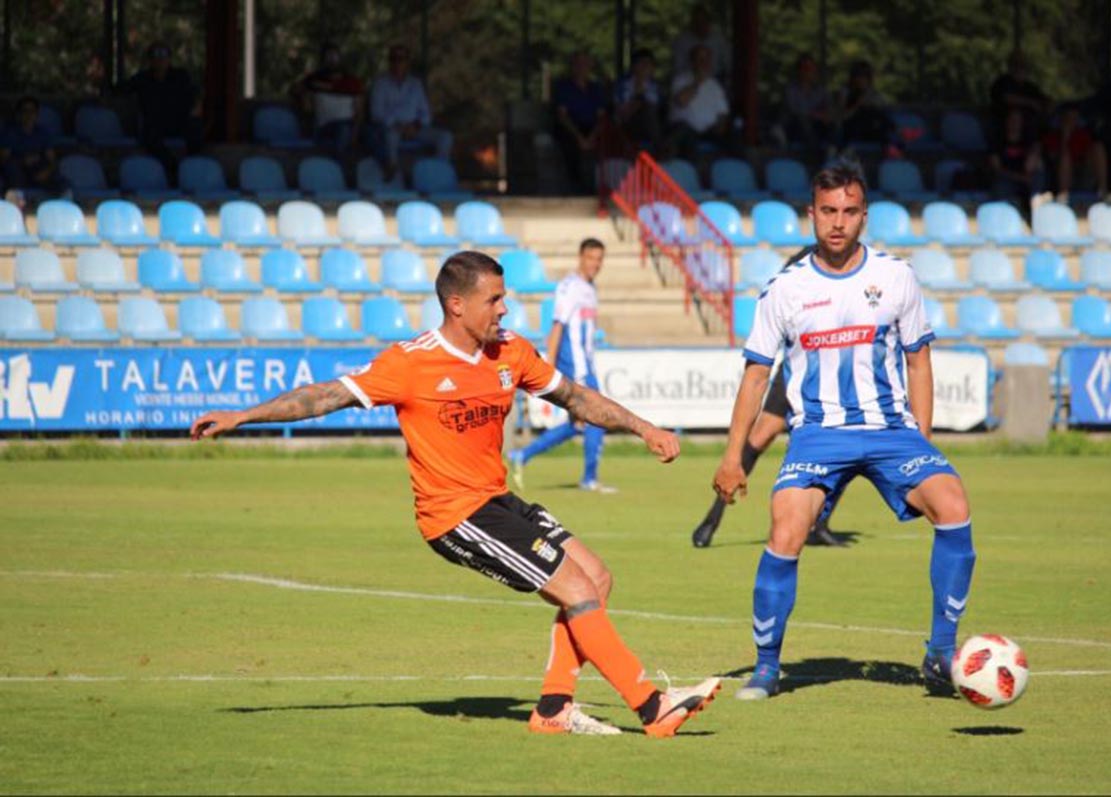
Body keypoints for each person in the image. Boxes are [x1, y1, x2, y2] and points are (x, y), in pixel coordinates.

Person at [190, 250, 720, 737]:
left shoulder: (511, 351)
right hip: (455, 515)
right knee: (577, 590)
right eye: (494, 299)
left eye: (504, 297)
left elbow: (575, 397)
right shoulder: (410, 362)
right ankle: (652, 707)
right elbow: (325, 395)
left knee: (596, 579)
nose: (505, 309)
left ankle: (554, 710)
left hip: (496, 499)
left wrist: (643, 426)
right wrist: (243, 416)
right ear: (457, 305)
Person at [712, 165, 976, 701]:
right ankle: (766, 668)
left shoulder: (897, 276)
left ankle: (942, 653)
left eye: (849, 212)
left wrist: (920, 439)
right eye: (827, 211)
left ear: (864, 216)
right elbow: (757, 376)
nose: (838, 223)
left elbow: (918, 362)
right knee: (786, 528)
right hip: (817, 435)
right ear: (812, 214)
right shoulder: (785, 289)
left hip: (890, 430)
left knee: (953, 505)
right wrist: (731, 456)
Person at [692, 246, 846, 550]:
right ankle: (714, 515)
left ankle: (821, 522)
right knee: (758, 439)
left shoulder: (853, 266)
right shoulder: (803, 261)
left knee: (843, 449)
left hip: (832, 375)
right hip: (795, 371)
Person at [508, 238, 614, 493]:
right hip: (575, 367)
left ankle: (521, 456)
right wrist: (550, 367)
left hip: (586, 364)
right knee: (597, 418)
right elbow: (557, 328)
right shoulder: (569, 287)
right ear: (581, 257)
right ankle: (589, 479)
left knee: (577, 424)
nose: (595, 264)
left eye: (599, 259)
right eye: (591, 258)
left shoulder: (590, 288)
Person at [117, 42, 203, 169]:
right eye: (156, 56)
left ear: (169, 59)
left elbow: (196, 94)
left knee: (195, 129)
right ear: (150, 60)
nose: (160, 60)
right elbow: (120, 90)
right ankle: (172, 167)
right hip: (155, 124)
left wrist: (195, 108)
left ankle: (192, 165)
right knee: (148, 136)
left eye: (164, 56)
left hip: (178, 121)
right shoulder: (142, 79)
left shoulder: (180, 76)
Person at [369, 44, 454, 172]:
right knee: (391, 136)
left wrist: (415, 126)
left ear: (407, 62)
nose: (397, 63)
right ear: (389, 61)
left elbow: (425, 113)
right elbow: (376, 113)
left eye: (401, 59)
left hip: (415, 128)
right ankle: (392, 170)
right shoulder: (380, 84)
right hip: (392, 128)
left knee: (445, 137)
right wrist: (398, 125)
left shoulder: (416, 84)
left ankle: (439, 171)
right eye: (394, 59)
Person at [292, 42, 365, 155]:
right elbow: (296, 90)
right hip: (324, 127)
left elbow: (359, 111)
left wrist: (355, 135)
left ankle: (339, 163)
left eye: (334, 56)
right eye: (328, 57)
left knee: (344, 129)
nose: (332, 60)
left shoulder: (352, 82)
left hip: (346, 126)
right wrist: (304, 96)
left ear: (340, 58)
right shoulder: (313, 79)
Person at [552, 52, 610, 192]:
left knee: (606, 143)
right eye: (577, 64)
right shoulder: (563, 87)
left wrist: (591, 137)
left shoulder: (596, 89)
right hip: (570, 127)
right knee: (568, 144)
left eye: (585, 64)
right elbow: (562, 116)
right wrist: (580, 138)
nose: (581, 67)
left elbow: (602, 117)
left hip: (592, 128)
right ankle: (576, 188)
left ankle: (603, 187)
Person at [668, 43, 732, 159]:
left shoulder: (715, 86)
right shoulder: (680, 80)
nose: (704, 63)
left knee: (733, 138)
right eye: (700, 59)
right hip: (684, 130)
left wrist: (720, 126)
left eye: (707, 59)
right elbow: (681, 101)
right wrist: (697, 82)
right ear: (692, 61)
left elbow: (723, 113)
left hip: (709, 131)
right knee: (684, 135)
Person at [1041, 104, 1110, 204]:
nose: (1071, 122)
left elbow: (1088, 157)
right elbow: (1052, 160)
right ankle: (1063, 196)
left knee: (1098, 147)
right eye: (1068, 118)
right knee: (1065, 157)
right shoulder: (1053, 136)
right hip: (1060, 177)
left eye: (1074, 118)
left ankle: (1102, 191)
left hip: (1082, 175)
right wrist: (1065, 137)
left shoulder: (1082, 135)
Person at [775, 53, 832, 159]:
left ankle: (836, 153)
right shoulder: (791, 89)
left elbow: (828, 109)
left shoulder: (821, 90)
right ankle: (816, 158)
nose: (809, 72)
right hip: (795, 127)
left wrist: (825, 116)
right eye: (805, 68)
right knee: (804, 121)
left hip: (817, 127)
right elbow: (794, 110)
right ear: (799, 70)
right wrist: (814, 114)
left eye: (811, 68)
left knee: (832, 125)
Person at [1, 96, 62, 195]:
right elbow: (3, 159)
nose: (29, 115)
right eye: (25, 111)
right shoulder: (10, 133)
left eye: (32, 111)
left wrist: (47, 171)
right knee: (12, 170)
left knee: (60, 181)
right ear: (19, 113)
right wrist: (22, 161)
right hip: (18, 171)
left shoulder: (43, 133)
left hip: (38, 170)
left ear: (37, 114)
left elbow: (52, 160)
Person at [832, 61, 895, 155]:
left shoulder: (871, 94)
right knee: (865, 112)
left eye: (865, 77)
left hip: (868, 129)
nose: (861, 80)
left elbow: (882, 107)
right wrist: (858, 104)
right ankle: (897, 131)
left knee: (874, 114)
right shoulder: (845, 92)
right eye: (859, 76)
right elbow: (842, 118)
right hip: (850, 129)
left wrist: (869, 103)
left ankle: (892, 144)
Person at [988, 50, 1050, 140]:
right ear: (1010, 66)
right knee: (1016, 116)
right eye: (1016, 63)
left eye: (1023, 64)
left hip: (1031, 131)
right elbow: (1005, 97)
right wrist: (1030, 103)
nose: (1020, 67)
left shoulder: (1030, 87)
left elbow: (1042, 99)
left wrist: (1048, 103)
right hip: (1005, 131)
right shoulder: (1002, 82)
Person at [989, 107, 1045, 201]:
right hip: (1008, 179)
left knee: (1039, 173)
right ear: (1006, 121)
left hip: (1029, 179)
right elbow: (996, 170)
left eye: (1018, 120)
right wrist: (1020, 177)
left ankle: (1037, 204)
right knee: (1001, 186)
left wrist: (1035, 151)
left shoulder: (1030, 141)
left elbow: (1034, 166)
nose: (1014, 123)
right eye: (1012, 119)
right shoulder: (997, 142)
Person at [670, 5, 731, 89]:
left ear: (709, 22)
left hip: (717, 81)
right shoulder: (682, 41)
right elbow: (678, 68)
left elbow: (729, 64)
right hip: (690, 83)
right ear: (691, 23)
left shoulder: (719, 40)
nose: (700, 25)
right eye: (697, 22)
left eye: (703, 21)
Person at [615, 49, 663, 152]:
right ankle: (658, 148)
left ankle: (658, 148)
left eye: (648, 64)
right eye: (642, 63)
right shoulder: (622, 85)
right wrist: (638, 96)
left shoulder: (656, 87)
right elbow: (621, 113)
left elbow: (657, 109)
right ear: (634, 66)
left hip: (651, 126)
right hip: (627, 125)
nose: (645, 68)